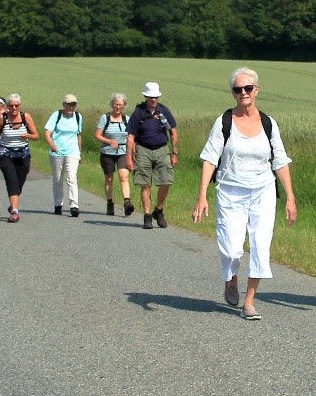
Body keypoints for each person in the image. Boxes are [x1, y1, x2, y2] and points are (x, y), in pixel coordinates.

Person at [191, 68, 297, 320]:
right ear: (233, 93)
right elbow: (209, 158)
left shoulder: (269, 123)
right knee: (231, 249)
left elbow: (280, 161)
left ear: (256, 90)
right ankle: (231, 279)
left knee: (260, 245)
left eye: (247, 88)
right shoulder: (224, 122)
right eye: (238, 89)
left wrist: (290, 197)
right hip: (230, 192)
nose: (243, 93)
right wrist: (202, 195)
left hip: (263, 191)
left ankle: (249, 301)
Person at [125, 81, 179, 229]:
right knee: (145, 183)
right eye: (150, 97)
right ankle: (147, 215)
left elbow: (173, 132)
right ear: (145, 96)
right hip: (143, 149)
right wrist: (128, 157)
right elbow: (130, 137)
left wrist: (174, 152)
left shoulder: (164, 111)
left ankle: (159, 210)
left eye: (155, 97)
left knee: (166, 181)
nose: (153, 100)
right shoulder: (139, 112)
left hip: (162, 149)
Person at [0, 93, 38, 223]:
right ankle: (15, 212)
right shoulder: (2, 118)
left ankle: (13, 203)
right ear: (7, 106)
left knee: (19, 182)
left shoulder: (25, 117)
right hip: (6, 154)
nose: (14, 108)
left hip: (23, 154)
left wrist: (27, 135)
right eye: (11, 105)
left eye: (16, 105)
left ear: (20, 106)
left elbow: (36, 135)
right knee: (11, 180)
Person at [94, 93, 134, 216]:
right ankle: (110, 203)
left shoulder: (127, 120)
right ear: (112, 104)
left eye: (120, 105)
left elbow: (131, 137)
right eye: (116, 104)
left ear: (124, 106)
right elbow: (97, 135)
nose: (118, 107)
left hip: (123, 152)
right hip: (107, 152)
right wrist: (109, 141)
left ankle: (127, 202)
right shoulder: (105, 118)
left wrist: (132, 153)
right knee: (109, 178)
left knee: (123, 176)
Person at [45, 93, 83, 217]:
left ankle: (74, 205)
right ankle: (58, 204)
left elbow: (78, 135)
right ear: (64, 104)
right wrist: (52, 145)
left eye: (73, 104)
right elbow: (47, 133)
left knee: (72, 177)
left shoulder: (78, 117)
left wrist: (79, 152)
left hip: (72, 151)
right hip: (57, 151)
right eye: (69, 104)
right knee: (57, 179)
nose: (71, 106)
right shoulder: (56, 116)